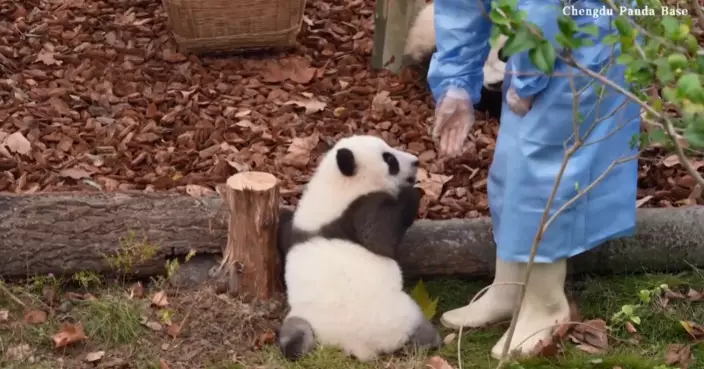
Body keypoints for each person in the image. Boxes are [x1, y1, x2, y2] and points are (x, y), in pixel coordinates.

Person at [427, 0, 641, 359]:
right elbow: (462, 5)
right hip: (542, 28)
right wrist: (456, 83)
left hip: (585, 28)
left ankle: (546, 304)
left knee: (544, 163)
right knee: (513, 161)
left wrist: (527, 78)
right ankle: (511, 287)